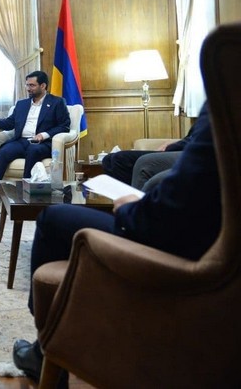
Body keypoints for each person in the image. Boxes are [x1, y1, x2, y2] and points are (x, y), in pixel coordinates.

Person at [12, 102, 221, 382]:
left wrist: (132, 208)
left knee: (52, 219)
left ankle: (45, 351)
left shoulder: (225, 101)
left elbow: (176, 205)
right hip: (206, 241)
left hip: (171, 249)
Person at [0, 71, 71, 208]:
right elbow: (9, 123)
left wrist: (44, 135)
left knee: (33, 150)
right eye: (27, 85)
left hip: (42, 143)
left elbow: (64, 126)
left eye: (32, 85)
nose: (28, 88)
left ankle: (24, 192)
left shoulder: (57, 102)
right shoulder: (21, 104)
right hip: (21, 141)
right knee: (3, 152)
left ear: (43, 86)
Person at [101, 129, 192, 189]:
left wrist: (172, 146)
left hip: (189, 153)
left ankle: (133, 205)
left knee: (121, 158)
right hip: (182, 147)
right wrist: (175, 142)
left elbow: (196, 140)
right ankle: (122, 202)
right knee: (108, 159)